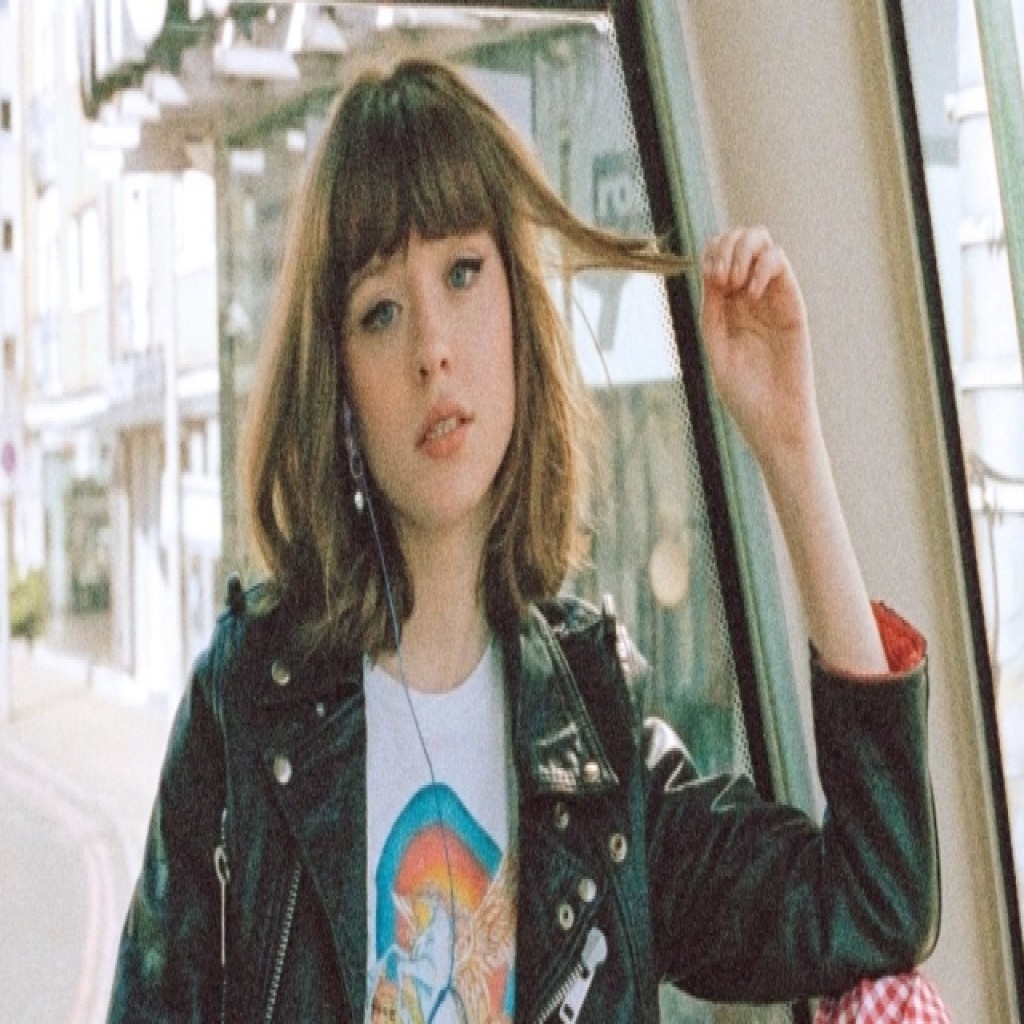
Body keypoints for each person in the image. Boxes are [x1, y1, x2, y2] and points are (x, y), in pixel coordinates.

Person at [107, 58, 939, 1023]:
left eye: (463, 273)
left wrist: (791, 448)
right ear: (340, 387)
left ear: (517, 311)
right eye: (381, 311)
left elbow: (874, 903)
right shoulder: (250, 706)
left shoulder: (593, 734)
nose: (432, 348)